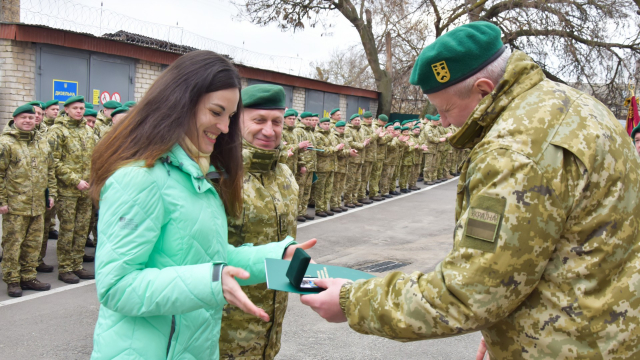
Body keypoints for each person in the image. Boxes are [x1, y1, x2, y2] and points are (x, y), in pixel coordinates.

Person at [300, 21, 640, 359]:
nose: (445, 123)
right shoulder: (581, 108)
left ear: (484, 89)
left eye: (446, 109)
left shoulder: (513, 151)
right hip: (604, 332)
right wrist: (513, 327)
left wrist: (352, 301)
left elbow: (473, 290)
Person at [89, 51, 314, 360]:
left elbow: (215, 257)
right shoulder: (138, 178)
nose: (224, 127)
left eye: (230, 117)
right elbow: (116, 286)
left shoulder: (194, 176)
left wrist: (277, 256)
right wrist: (209, 283)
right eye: (216, 112)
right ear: (181, 102)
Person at [219, 84, 306, 360]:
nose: (269, 131)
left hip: (271, 319)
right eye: (259, 120)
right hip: (226, 326)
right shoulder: (220, 175)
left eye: (277, 122)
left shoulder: (283, 174)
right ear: (237, 121)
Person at [0, 104, 56, 296]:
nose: (28, 121)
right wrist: (2, 201)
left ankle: (28, 276)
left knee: (33, 244)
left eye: (31, 118)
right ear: (14, 120)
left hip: (38, 203)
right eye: (23, 117)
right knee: (13, 244)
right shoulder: (6, 143)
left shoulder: (41, 141)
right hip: (15, 205)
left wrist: (51, 195)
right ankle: (12, 280)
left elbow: (50, 170)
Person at [48, 95, 97, 283]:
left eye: (81, 108)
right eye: (75, 108)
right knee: (67, 230)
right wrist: (75, 180)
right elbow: (53, 161)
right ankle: (65, 268)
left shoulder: (87, 130)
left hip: (86, 190)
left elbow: (94, 157)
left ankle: (77, 264)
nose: (79, 111)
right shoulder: (57, 131)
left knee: (82, 229)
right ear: (66, 109)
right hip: (68, 191)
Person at [312, 117, 344, 217]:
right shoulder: (318, 135)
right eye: (325, 124)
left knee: (328, 189)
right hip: (322, 166)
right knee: (320, 189)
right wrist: (335, 148)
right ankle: (319, 208)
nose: (327, 126)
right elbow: (321, 150)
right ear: (320, 124)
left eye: (328, 124)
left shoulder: (331, 135)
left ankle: (325, 207)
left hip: (331, 165)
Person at [293, 112, 317, 221]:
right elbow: (299, 150)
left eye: (311, 120)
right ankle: (297, 212)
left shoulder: (309, 131)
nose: (309, 122)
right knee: (300, 189)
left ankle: (303, 211)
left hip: (311, 165)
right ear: (301, 119)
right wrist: (301, 164)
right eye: (307, 119)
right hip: (304, 164)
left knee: (307, 190)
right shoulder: (299, 131)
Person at [329, 121, 356, 212]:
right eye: (340, 128)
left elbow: (346, 148)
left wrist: (351, 150)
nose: (342, 130)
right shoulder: (334, 136)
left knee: (341, 186)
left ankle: (338, 203)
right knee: (335, 186)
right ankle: (333, 204)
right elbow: (338, 151)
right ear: (336, 128)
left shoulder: (343, 137)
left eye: (343, 129)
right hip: (337, 164)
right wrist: (349, 152)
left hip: (344, 164)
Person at [344, 114, 369, 208]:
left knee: (357, 180)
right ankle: (347, 200)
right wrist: (362, 145)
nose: (357, 122)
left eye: (359, 120)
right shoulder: (348, 129)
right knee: (350, 181)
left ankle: (354, 199)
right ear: (351, 121)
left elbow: (366, 140)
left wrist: (365, 143)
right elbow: (350, 143)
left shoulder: (361, 129)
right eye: (355, 120)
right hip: (352, 159)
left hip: (360, 158)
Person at [368, 114, 391, 201]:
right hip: (376, 154)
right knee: (375, 175)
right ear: (379, 120)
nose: (385, 124)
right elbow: (380, 140)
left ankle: (375, 192)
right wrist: (389, 136)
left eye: (386, 122)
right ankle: (373, 193)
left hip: (380, 154)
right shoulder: (375, 127)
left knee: (377, 175)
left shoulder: (381, 127)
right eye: (383, 122)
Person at [282, 109, 309, 176]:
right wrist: (298, 146)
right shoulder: (281, 132)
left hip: (293, 166)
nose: (292, 121)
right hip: (284, 166)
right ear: (284, 119)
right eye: (289, 119)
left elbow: (296, 149)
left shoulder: (294, 132)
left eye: (294, 119)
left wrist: (302, 148)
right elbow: (282, 147)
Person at [357, 111, 376, 204]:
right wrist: (377, 134)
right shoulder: (362, 127)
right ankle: (360, 195)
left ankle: (363, 193)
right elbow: (367, 140)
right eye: (368, 119)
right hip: (365, 155)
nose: (369, 120)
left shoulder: (371, 127)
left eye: (370, 119)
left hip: (370, 156)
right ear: (363, 118)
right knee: (363, 177)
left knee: (366, 177)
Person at [379, 123, 400, 198]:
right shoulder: (385, 136)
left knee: (390, 176)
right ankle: (384, 191)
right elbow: (389, 146)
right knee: (385, 176)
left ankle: (389, 189)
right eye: (389, 127)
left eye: (392, 128)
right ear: (386, 128)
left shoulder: (394, 136)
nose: (391, 129)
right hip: (387, 159)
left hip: (393, 159)